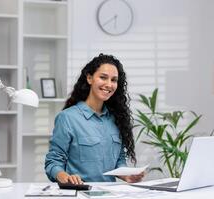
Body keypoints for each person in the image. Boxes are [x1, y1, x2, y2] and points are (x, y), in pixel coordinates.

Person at [45, 54, 144, 184]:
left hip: (109, 194)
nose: (109, 84)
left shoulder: (116, 119)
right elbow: (53, 162)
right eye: (103, 77)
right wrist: (64, 176)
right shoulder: (67, 118)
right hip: (79, 193)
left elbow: (119, 160)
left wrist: (126, 175)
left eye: (114, 80)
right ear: (90, 78)